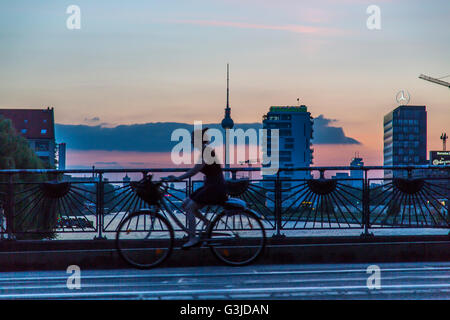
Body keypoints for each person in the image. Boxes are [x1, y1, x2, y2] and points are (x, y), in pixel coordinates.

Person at [163, 128, 227, 248]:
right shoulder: (205, 151)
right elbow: (195, 169)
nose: (192, 142)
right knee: (184, 203)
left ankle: (193, 238)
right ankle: (208, 223)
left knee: (190, 208)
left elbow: (195, 170)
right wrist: (177, 177)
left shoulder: (207, 152)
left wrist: (178, 178)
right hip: (210, 185)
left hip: (215, 187)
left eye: (193, 140)